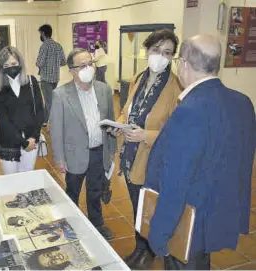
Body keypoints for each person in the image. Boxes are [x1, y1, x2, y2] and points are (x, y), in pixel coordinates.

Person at [144, 34, 256, 270]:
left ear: (183, 64)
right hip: (217, 215)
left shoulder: (189, 110)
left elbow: (175, 181)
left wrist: (159, 234)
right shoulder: (243, 102)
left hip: (187, 222)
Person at [110, 29, 182, 269]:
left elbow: (177, 131)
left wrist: (146, 135)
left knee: (149, 208)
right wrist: (119, 125)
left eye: (167, 52)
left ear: (173, 57)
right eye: (156, 50)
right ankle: (140, 248)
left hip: (153, 159)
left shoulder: (175, 88)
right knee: (136, 205)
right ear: (147, 50)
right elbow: (126, 109)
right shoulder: (138, 78)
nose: (160, 56)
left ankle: (149, 252)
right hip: (131, 156)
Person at [50, 48, 117, 241]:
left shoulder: (104, 90)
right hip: (74, 153)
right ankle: (69, 224)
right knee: (72, 192)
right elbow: (56, 129)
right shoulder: (61, 95)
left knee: (95, 191)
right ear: (72, 70)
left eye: (90, 63)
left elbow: (110, 120)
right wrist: (60, 158)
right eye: (82, 65)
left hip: (98, 151)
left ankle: (97, 224)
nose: (88, 68)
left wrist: (111, 148)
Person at [0, 46, 44, 175]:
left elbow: (40, 111)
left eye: (14, 63)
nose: (11, 67)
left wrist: (33, 137)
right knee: (12, 181)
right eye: (6, 65)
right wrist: (23, 142)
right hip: (8, 142)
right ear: (1, 68)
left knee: (27, 177)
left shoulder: (32, 82)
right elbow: (3, 119)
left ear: (20, 63)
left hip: (31, 140)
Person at [37, 24, 66, 126]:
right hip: (55, 78)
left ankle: (53, 121)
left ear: (43, 33)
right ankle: (45, 120)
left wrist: (40, 64)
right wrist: (54, 63)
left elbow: (39, 63)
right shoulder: (58, 46)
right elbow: (63, 62)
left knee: (49, 102)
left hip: (46, 79)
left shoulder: (44, 46)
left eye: (40, 33)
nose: (40, 35)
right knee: (50, 100)